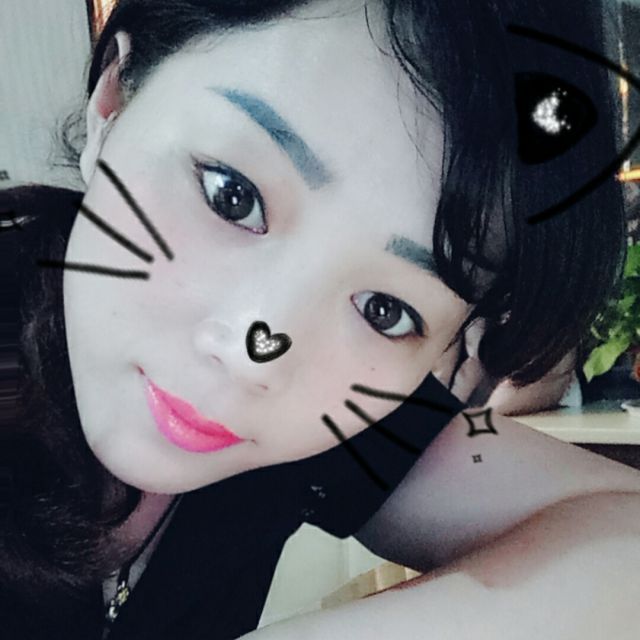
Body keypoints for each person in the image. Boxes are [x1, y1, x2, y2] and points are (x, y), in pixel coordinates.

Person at [1, 1, 640, 639]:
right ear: (113, 103)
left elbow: (621, 529)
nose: (257, 355)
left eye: (385, 310)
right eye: (232, 196)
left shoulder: (344, 415)